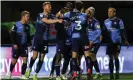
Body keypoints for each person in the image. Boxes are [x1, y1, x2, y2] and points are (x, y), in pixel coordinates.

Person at [25, 2, 62, 80]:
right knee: (35, 56)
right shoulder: (40, 15)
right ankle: (29, 69)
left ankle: (35, 74)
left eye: (51, 6)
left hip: (45, 40)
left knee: (42, 57)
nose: (50, 7)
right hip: (37, 38)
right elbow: (47, 21)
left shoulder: (51, 15)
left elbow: (56, 17)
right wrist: (57, 20)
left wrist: (60, 14)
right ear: (44, 7)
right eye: (49, 6)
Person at [57, 1, 93, 80]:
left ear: (75, 7)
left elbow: (58, 16)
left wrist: (61, 11)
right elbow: (87, 23)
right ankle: (89, 70)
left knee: (74, 57)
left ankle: (75, 73)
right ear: (82, 8)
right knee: (87, 55)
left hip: (75, 37)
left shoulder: (69, 14)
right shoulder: (85, 15)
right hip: (84, 37)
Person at [49, 2, 73, 80]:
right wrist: (60, 20)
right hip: (61, 39)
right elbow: (57, 28)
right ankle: (55, 74)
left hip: (69, 40)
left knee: (67, 58)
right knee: (58, 56)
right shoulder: (58, 19)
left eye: (69, 9)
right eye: (67, 9)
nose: (67, 10)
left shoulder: (71, 18)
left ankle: (62, 73)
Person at [103, 7, 129, 80]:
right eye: (108, 11)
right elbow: (103, 31)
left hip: (117, 42)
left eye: (111, 12)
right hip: (109, 42)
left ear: (114, 13)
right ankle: (111, 75)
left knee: (116, 57)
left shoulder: (119, 21)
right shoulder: (105, 21)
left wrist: (125, 40)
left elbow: (123, 31)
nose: (109, 13)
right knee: (110, 58)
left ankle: (117, 73)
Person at [5, 11, 31, 79]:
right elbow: (12, 35)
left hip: (24, 46)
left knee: (25, 59)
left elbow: (28, 37)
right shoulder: (16, 25)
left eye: (28, 16)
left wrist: (30, 44)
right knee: (14, 60)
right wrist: (14, 43)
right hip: (17, 45)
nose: (28, 18)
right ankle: (9, 73)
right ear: (23, 17)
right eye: (27, 16)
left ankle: (22, 75)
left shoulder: (28, 26)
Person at [85, 7, 103, 80]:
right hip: (88, 42)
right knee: (89, 57)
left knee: (91, 55)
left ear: (92, 13)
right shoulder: (85, 21)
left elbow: (99, 32)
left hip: (95, 42)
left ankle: (97, 73)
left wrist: (93, 40)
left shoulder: (95, 22)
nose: (87, 13)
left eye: (89, 12)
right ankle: (91, 73)